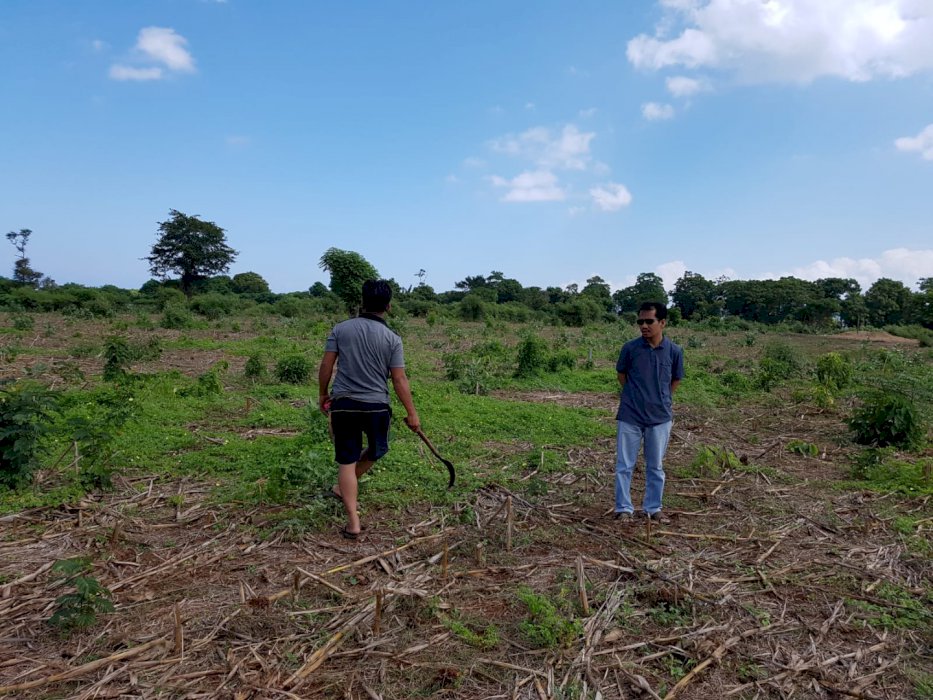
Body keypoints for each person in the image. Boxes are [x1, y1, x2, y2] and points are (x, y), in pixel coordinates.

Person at [317, 279, 420, 540]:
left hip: (344, 405)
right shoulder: (393, 338)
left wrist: (323, 394)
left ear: (362, 302)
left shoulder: (340, 329)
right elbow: (399, 379)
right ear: (388, 306)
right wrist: (412, 413)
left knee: (346, 460)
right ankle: (347, 488)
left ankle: (353, 520)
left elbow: (326, 366)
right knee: (377, 450)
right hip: (377, 406)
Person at [613, 301, 684, 522]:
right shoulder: (630, 349)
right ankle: (624, 508)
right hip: (630, 415)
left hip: (660, 418)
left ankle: (653, 508)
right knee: (625, 465)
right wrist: (634, 395)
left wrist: (662, 399)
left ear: (662, 323)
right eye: (640, 321)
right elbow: (622, 374)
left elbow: (676, 379)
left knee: (655, 466)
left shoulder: (674, 351)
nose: (644, 326)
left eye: (649, 321)